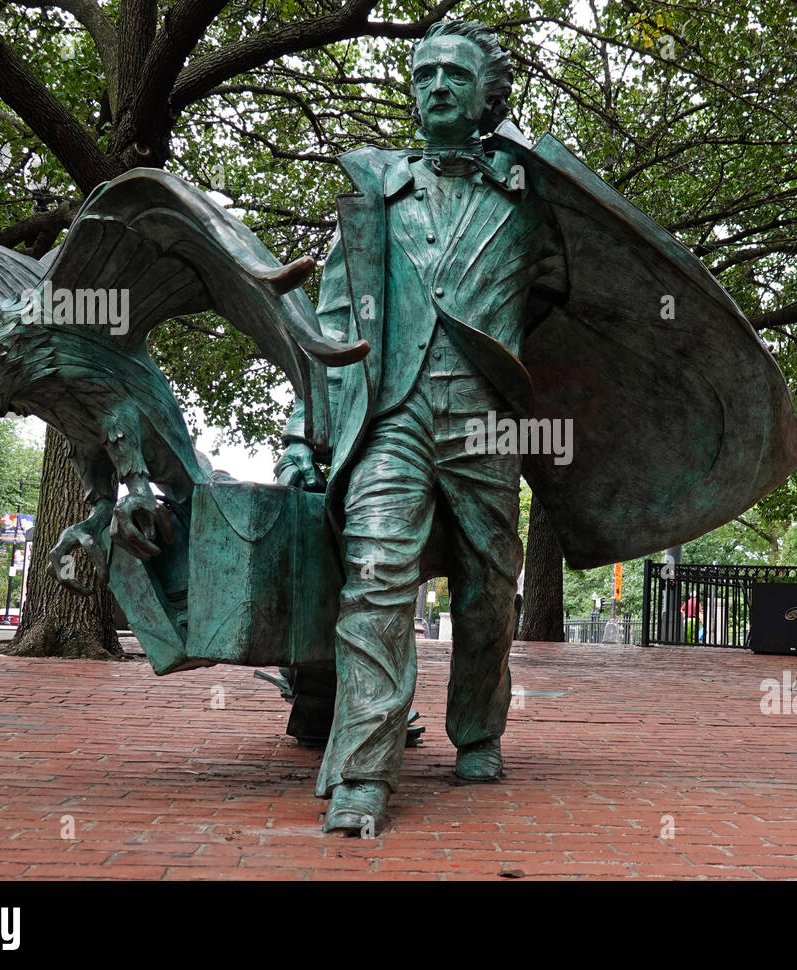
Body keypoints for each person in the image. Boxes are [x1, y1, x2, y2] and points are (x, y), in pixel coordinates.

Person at [274, 20, 568, 833]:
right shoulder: (372, 196)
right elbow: (333, 330)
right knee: (374, 576)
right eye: (424, 73)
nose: (436, 85)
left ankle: (477, 731)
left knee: (487, 592)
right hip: (392, 414)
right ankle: (363, 773)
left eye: (455, 74)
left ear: (488, 97)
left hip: (486, 419)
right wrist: (306, 432)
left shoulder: (533, 196)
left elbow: (589, 298)